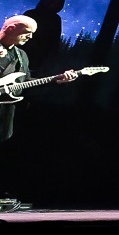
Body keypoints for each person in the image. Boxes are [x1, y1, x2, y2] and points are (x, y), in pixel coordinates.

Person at [0, 15, 78, 145]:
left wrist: (57, 80)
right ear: (11, 28)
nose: (30, 37)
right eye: (27, 32)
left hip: (3, 119)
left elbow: (25, 83)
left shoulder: (22, 55)